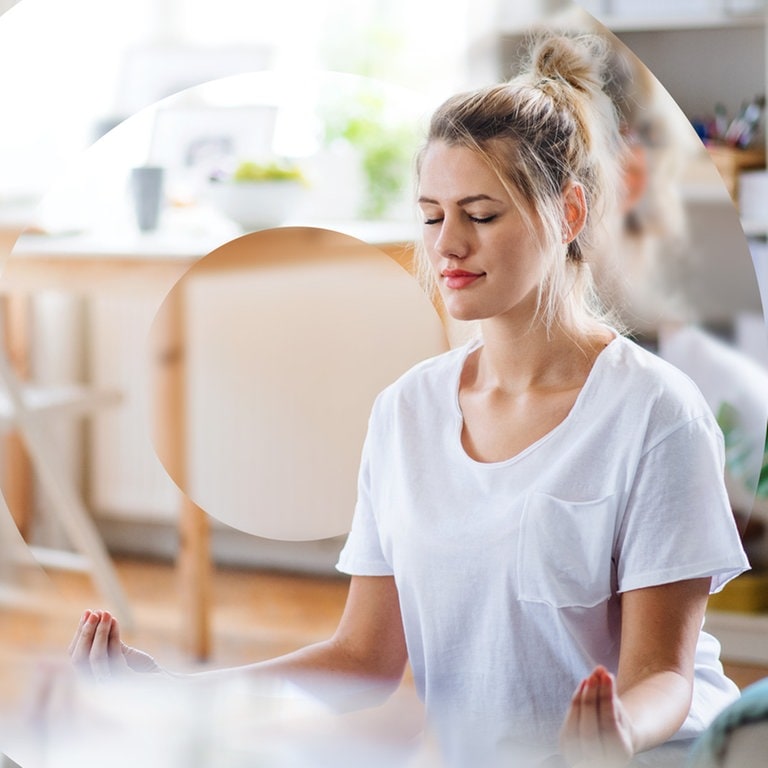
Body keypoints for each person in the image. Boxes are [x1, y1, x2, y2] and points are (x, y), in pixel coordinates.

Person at [68, 31, 750, 768]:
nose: (447, 245)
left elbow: (664, 680)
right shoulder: (405, 413)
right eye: (431, 215)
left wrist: (619, 728)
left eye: (480, 215)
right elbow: (364, 658)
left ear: (571, 214)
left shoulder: (656, 414)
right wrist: (180, 691)